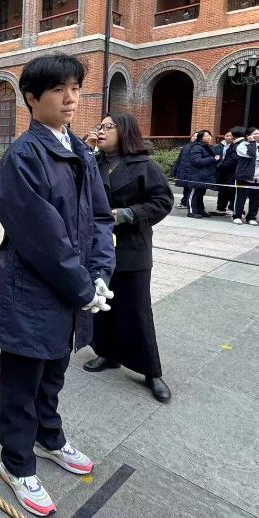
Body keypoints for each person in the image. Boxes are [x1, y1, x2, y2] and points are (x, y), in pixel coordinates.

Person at [0, 54, 115, 518]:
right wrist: (85, 287)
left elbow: (100, 218)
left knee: (54, 372)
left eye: (75, 89)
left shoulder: (79, 150)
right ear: (32, 98)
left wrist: (101, 273)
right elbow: (43, 239)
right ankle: (16, 462)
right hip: (33, 291)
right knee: (23, 381)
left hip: (72, 289)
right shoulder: (23, 158)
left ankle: (49, 437)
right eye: (59, 90)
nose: (70, 99)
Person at [83, 112, 174, 402]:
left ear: (125, 131)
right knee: (102, 304)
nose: (102, 130)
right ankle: (107, 353)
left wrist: (126, 214)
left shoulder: (144, 165)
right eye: (100, 126)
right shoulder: (93, 162)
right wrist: (85, 150)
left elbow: (163, 202)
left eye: (108, 126)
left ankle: (151, 371)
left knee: (137, 309)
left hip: (132, 246)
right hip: (99, 247)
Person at [233, 127, 259, 226]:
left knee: (255, 199)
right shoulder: (242, 145)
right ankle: (237, 216)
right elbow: (251, 154)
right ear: (247, 136)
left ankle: (251, 217)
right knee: (241, 198)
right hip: (245, 177)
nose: (257, 135)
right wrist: (251, 143)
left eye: (258, 134)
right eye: (254, 134)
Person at [185, 130, 219, 218]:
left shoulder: (208, 147)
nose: (208, 137)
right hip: (196, 175)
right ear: (200, 138)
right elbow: (197, 161)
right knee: (193, 193)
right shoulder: (196, 147)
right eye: (206, 136)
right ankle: (191, 211)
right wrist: (213, 159)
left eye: (209, 136)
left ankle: (200, 210)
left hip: (205, 175)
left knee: (200, 194)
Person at [212, 128, 243, 216]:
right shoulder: (221, 146)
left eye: (231, 135)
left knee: (232, 191)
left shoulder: (237, 145)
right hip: (226, 172)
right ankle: (221, 208)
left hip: (231, 172)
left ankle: (233, 209)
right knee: (223, 190)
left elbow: (232, 160)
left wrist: (220, 167)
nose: (229, 137)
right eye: (227, 135)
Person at [170, 133, 197, 209]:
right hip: (184, 170)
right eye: (193, 136)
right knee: (186, 188)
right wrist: (174, 170)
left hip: (193, 172)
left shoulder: (199, 148)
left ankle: (189, 203)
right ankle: (184, 202)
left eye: (196, 136)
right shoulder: (185, 147)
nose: (194, 137)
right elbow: (179, 159)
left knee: (191, 189)